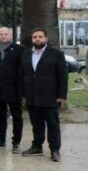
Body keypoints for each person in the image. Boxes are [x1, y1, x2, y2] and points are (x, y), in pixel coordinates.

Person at [20, 28, 68, 162]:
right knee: (36, 124)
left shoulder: (56, 54)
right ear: (32, 39)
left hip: (50, 96)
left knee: (53, 124)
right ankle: (37, 147)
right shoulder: (25, 54)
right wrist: (22, 93)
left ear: (46, 39)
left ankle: (55, 150)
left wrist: (62, 95)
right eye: (35, 37)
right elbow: (21, 75)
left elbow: (63, 76)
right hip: (32, 96)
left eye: (40, 36)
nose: (37, 39)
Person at [0, 27, 25, 152]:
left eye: (6, 34)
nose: (3, 36)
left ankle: (16, 142)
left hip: (14, 89)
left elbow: (23, 70)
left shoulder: (20, 50)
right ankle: (1, 139)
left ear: (11, 35)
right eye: (1, 34)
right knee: (1, 115)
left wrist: (22, 89)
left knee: (17, 116)